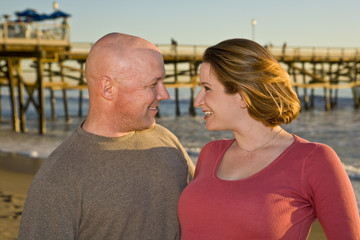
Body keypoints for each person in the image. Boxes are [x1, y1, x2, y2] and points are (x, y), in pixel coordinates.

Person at [178, 38, 360, 239]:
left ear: (242, 94)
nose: (197, 101)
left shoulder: (314, 160)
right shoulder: (210, 153)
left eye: (207, 88)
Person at [18, 32, 195, 239]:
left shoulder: (167, 142)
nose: (165, 94)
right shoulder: (58, 179)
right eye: (152, 85)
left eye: (162, 82)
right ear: (107, 88)